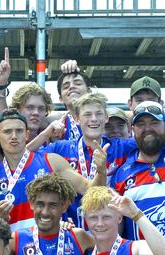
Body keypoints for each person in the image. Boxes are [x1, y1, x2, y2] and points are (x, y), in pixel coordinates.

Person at [0, 109, 107, 232]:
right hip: (15, 246)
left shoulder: (52, 161)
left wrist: (101, 172)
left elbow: (91, 190)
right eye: (7, 132)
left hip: (53, 245)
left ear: (27, 134)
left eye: (19, 131)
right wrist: (0, 218)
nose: (14, 136)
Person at [33, 93, 135, 228]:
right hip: (71, 230)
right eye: (87, 115)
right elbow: (24, 157)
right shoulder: (62, 148)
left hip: (109, 229)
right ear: (76, 119)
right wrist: (46, 133)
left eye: (99, 114)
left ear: (106, 118)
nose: (93, 119)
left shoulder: (121, 147)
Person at [112, 101, 165, 240]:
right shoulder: (121, 174)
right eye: (141, 124)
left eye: (154, 122)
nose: (148, 128)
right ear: (132, 129)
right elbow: (116, 229)